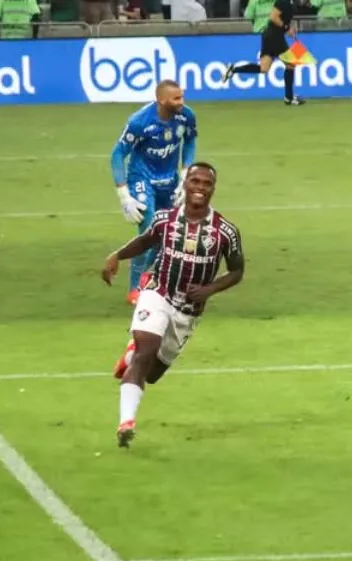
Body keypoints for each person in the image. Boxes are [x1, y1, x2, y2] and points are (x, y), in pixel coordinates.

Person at [101, 163, 245, 448]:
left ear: (213, 189)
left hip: (187, 311)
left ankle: (131, 357)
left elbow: (237, 271)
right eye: (195, 181)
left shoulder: (225, 232)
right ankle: (126, 422)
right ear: (186, 185)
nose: (200, 188)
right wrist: (116, 256)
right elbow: (145, 241)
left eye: (206, 183)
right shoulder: (165, 219)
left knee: (152, 373)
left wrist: (209, 289)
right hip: (158, 292)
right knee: (146, 352)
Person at [110, 80, 198, 305]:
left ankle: (150, 273)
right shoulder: (140, 122)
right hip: (142, 178)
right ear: (161, 100)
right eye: (176, 98)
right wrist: (123, 195)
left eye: (182, 97)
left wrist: (186, 174)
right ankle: (135, 287)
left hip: (170, 181)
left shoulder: (186, 116)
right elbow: (118, 153)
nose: (182, 102)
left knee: (168, 232)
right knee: (149, 226)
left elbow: (190, 141)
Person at [222, 0, 306, 106]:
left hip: (269, 35)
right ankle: (289, 97)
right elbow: (274, 17)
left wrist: (288, 29)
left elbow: (283, 19)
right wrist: (287, 28)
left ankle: (233, 70)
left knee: (263, 68)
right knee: (291, 64)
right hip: (274, 36)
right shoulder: (283, 1)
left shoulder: (290, 2)